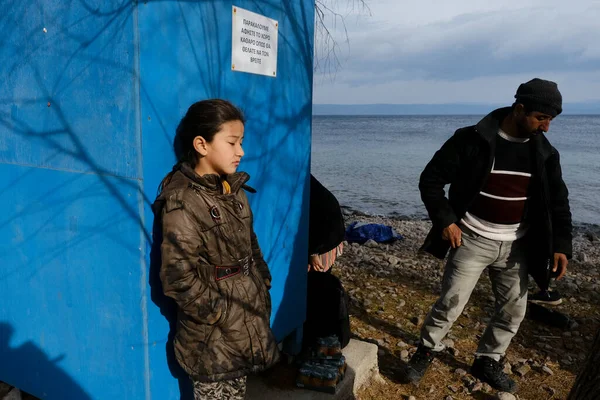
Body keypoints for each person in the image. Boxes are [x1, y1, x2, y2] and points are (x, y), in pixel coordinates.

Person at [406, 78, 572, 393]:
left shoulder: (545, 153)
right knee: (450, 303)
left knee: (514, 310)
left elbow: (558, 203)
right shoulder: (473, 139)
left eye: (551, 120)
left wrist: (562, 245)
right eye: (541, 118)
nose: (547, 127)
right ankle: (426, 349)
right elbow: (430, 181)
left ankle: (487, 359)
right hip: (470, 239)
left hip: (518, 247)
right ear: (520, 109)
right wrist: (447, 221)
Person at [152, 99, 279, 400]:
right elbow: (177, 276)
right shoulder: (183, 201)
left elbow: (253, 247)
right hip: (213, 338)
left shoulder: (234, 193)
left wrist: (262, 282)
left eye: (242, 142)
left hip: (244, 323)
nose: (241, 152)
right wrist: (220, 313)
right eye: (233, 142)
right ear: (201, 144)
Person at [307, 174, 346, 273]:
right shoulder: (310, 186)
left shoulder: (310, 194)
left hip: (325, 238)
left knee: (317, 273)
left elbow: (316, 223)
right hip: (330, 234)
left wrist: (313, 253)